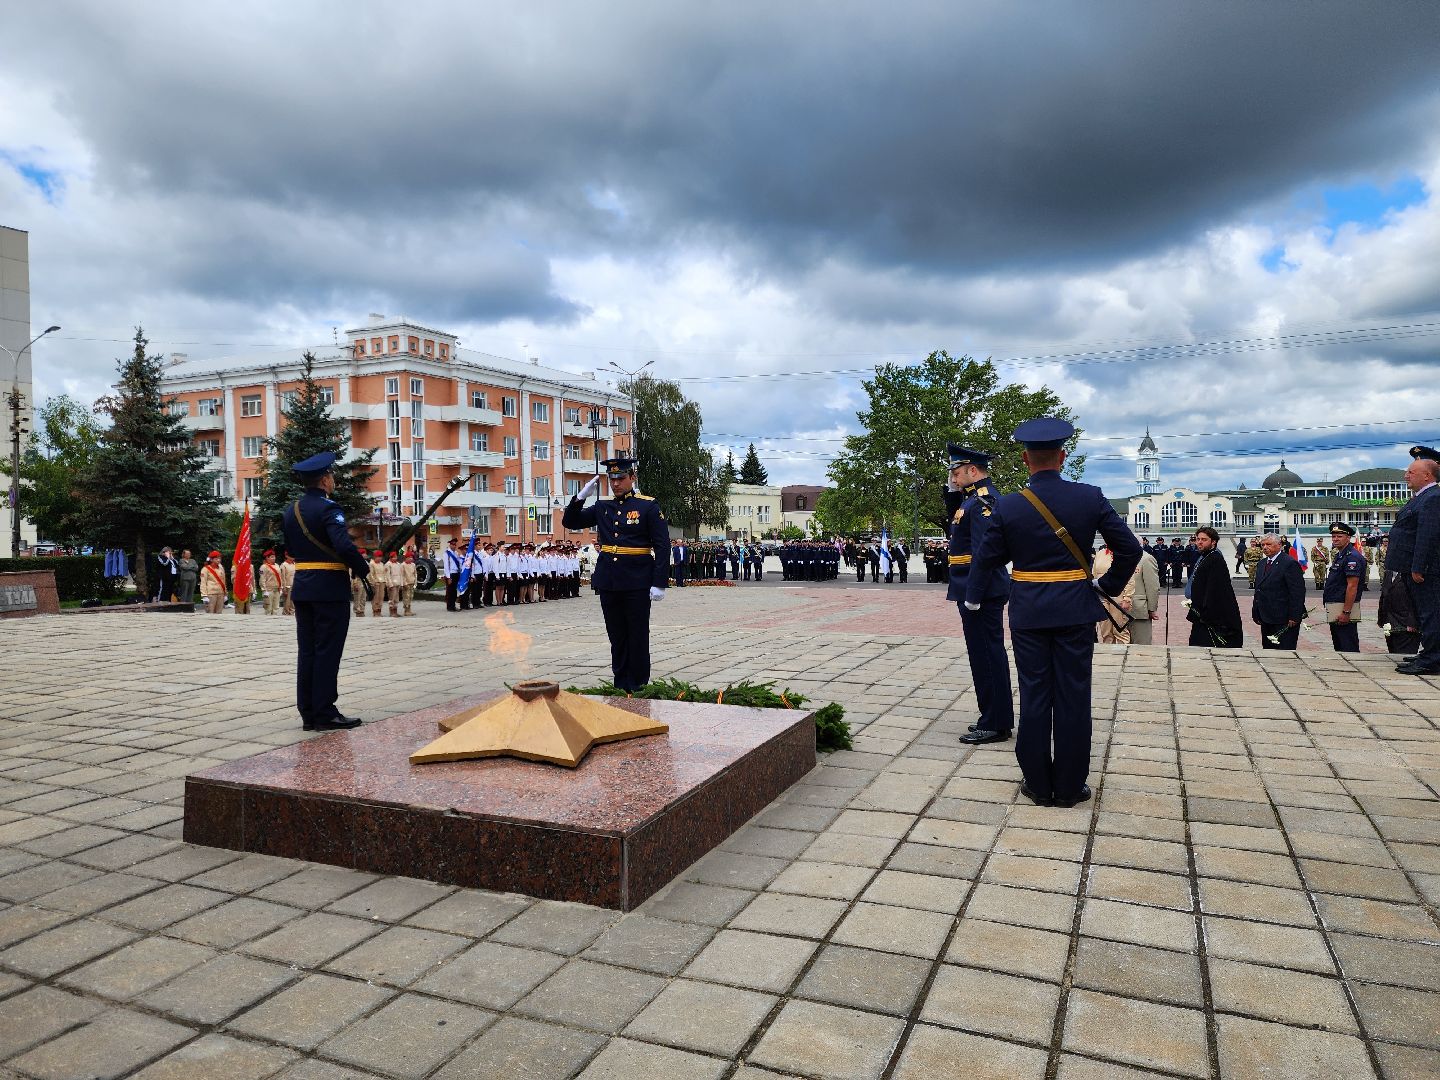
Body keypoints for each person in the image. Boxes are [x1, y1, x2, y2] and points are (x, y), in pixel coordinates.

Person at [966, 418, 1139, 808]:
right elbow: (1129, 549)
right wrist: (1107, 587)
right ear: (1062, 457)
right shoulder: (1090, 496)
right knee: (1074, 697)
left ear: (1026, 459)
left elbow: (986, 559)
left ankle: (1038, 783)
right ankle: (1071, 784)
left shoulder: (1008, 505)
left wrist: (974, 597)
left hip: (1028, 613)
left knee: (1034, 696)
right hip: (1077, 611)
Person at [562, 457, 669, 690]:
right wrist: (580, 498)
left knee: (637, 635)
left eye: (621, 478)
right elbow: (570, 521)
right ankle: (621, 683)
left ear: (632, 478)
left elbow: (662, 545)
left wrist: (659, 582)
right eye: (612, 479)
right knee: (617, 636)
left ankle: (639, 684)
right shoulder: (603, 507)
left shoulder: (648, 506)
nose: (616, 483)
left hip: (638, 581)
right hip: (609, 581)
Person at [283, 451, 370, 731]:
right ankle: (325, 712)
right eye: (331, 476)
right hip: (329, 588)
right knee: (327, 652)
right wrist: (362, 567)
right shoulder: (329, 509)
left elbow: (293, 549)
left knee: (308, 651)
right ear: (324, 480)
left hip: (304, 586)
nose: (333, 481)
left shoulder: (292, 510)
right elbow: (343, 546)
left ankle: (308, 711)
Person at [945, 445, 1014, 746]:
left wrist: (973, 593)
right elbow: (957, 528)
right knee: (981, 655)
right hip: (973, 588)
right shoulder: (971, 500)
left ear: (973, 471)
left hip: (980, 591)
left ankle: (996, 723)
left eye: (957, 473)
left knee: (987, 655)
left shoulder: (984, 501)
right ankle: (992, 716)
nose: (954, 479)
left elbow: (985, 553)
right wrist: (950, 492)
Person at [1388, 449, 1440, 675]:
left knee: (1431, 613)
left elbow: (1427, 536)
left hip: (1423, 570)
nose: (1406, 476)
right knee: (1423, 614)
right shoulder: (1422, 497)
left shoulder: (1432, 498)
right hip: (1410, 568)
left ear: (1427, 476)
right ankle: (1429, 653)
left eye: (1411, 472)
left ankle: (1432, 659)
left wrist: (1418, 567)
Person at [1186, 527, 1242, 647]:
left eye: (1204, 539)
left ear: (1213, 542)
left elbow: (1215, 591)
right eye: (1198, 539)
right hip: (1203, 613)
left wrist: (1204, 613)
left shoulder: (1215, 559)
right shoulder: (1205, 557)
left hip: (1212, 617)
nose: (1199, 542)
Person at [1251, 533, 1306, 649]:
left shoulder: (1289, 563)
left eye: (1269, 544)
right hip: (1265, 617)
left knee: (1284, 652)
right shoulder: (1261, 564)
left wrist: (1295, 616)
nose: (1265, 547)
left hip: (1284, 618)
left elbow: (1297, 592)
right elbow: (1259, 589)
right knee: (1268, 650)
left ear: (1279, 545)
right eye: (1263, 545)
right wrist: (1256, 611)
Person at [1322, 522, 1366, 653]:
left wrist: (1346, 612)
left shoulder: (1352, 557)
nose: (1335, 539)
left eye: (1339, 536)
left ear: (1348, 537)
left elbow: (1352, 586)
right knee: (1340, 646)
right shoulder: (1340, 554)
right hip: (1336, 607)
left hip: (1344, 609)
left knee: (1348, 646)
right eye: (1334, 536)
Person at [1092, 546, 1134, 644]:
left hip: (1118, 595)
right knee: (1105, 631)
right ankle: (1109, 657)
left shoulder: (1123, 552)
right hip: (1101, 595)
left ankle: (1123, 656)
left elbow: (1130, 577)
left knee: (1119, 630)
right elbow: (1094, 574)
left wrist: (1127, 597)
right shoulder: (1100, 553)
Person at [1127, 543, 1161, 645]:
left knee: (1141, 645)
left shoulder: (1146, 559)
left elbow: (1152, 586)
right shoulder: (1122, 557)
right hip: (1120, 609)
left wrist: (1151, 609)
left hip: (1139, 610)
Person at [442, 538, 466, 611]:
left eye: (455, 544)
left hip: (456, 573)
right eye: (452, 544)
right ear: (450, 545)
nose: (454, 546)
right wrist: (448, 577)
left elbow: (459, 563)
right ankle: (450, 607)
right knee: (450, 591)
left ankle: (453, 606)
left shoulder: (456, 553)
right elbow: (446, 566)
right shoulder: (446, 553)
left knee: (454, 591)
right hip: (451, 574)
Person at [260, 550, 285, 615]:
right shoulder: (264, 567)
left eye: (274, 556)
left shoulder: (277, 565)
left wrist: (281, 587)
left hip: (277, 589)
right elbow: (262, 579)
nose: (274, 558)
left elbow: (280, 577)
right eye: (271, 557)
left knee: (276, 608)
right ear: (267, 558)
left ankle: (275, 621)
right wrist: (264, 590)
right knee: (268, 608)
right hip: (269, 589)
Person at [350, 549, 368, 616]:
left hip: (364, 580)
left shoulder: (366, 562)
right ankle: (357, 611)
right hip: (358, 580)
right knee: (357, 597)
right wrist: (355, 584)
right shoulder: (355, 563)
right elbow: (353, 574)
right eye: (364, 553)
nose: (365, 555)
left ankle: (362, 610)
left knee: (363, 597)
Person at [368, 551, 387, 616]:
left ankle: (379, 610)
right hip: (376, 582)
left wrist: (385, 581)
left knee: (381, 597)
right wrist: (374, 582)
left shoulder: (382, 564)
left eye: (380, 557)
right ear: (375, 557)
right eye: (378, 557)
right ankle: (375, 611)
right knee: (376, 597)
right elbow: (371, 574)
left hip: (382, 581)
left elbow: (384, 573)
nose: (380, 558)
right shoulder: (372, 564)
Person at [399, 549, 417, 615]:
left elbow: (415, 574)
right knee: (406, 596)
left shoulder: (413, 565)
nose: (411, 559)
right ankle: (406, 610)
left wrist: (415, 582)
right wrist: (404, 583)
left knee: (411, 596)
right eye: (409, 557)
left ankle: (409, 609)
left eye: (412, 557)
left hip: (412, 582)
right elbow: (402, 575)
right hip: (406, 583)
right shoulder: (403, 565)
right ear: (406, 558)